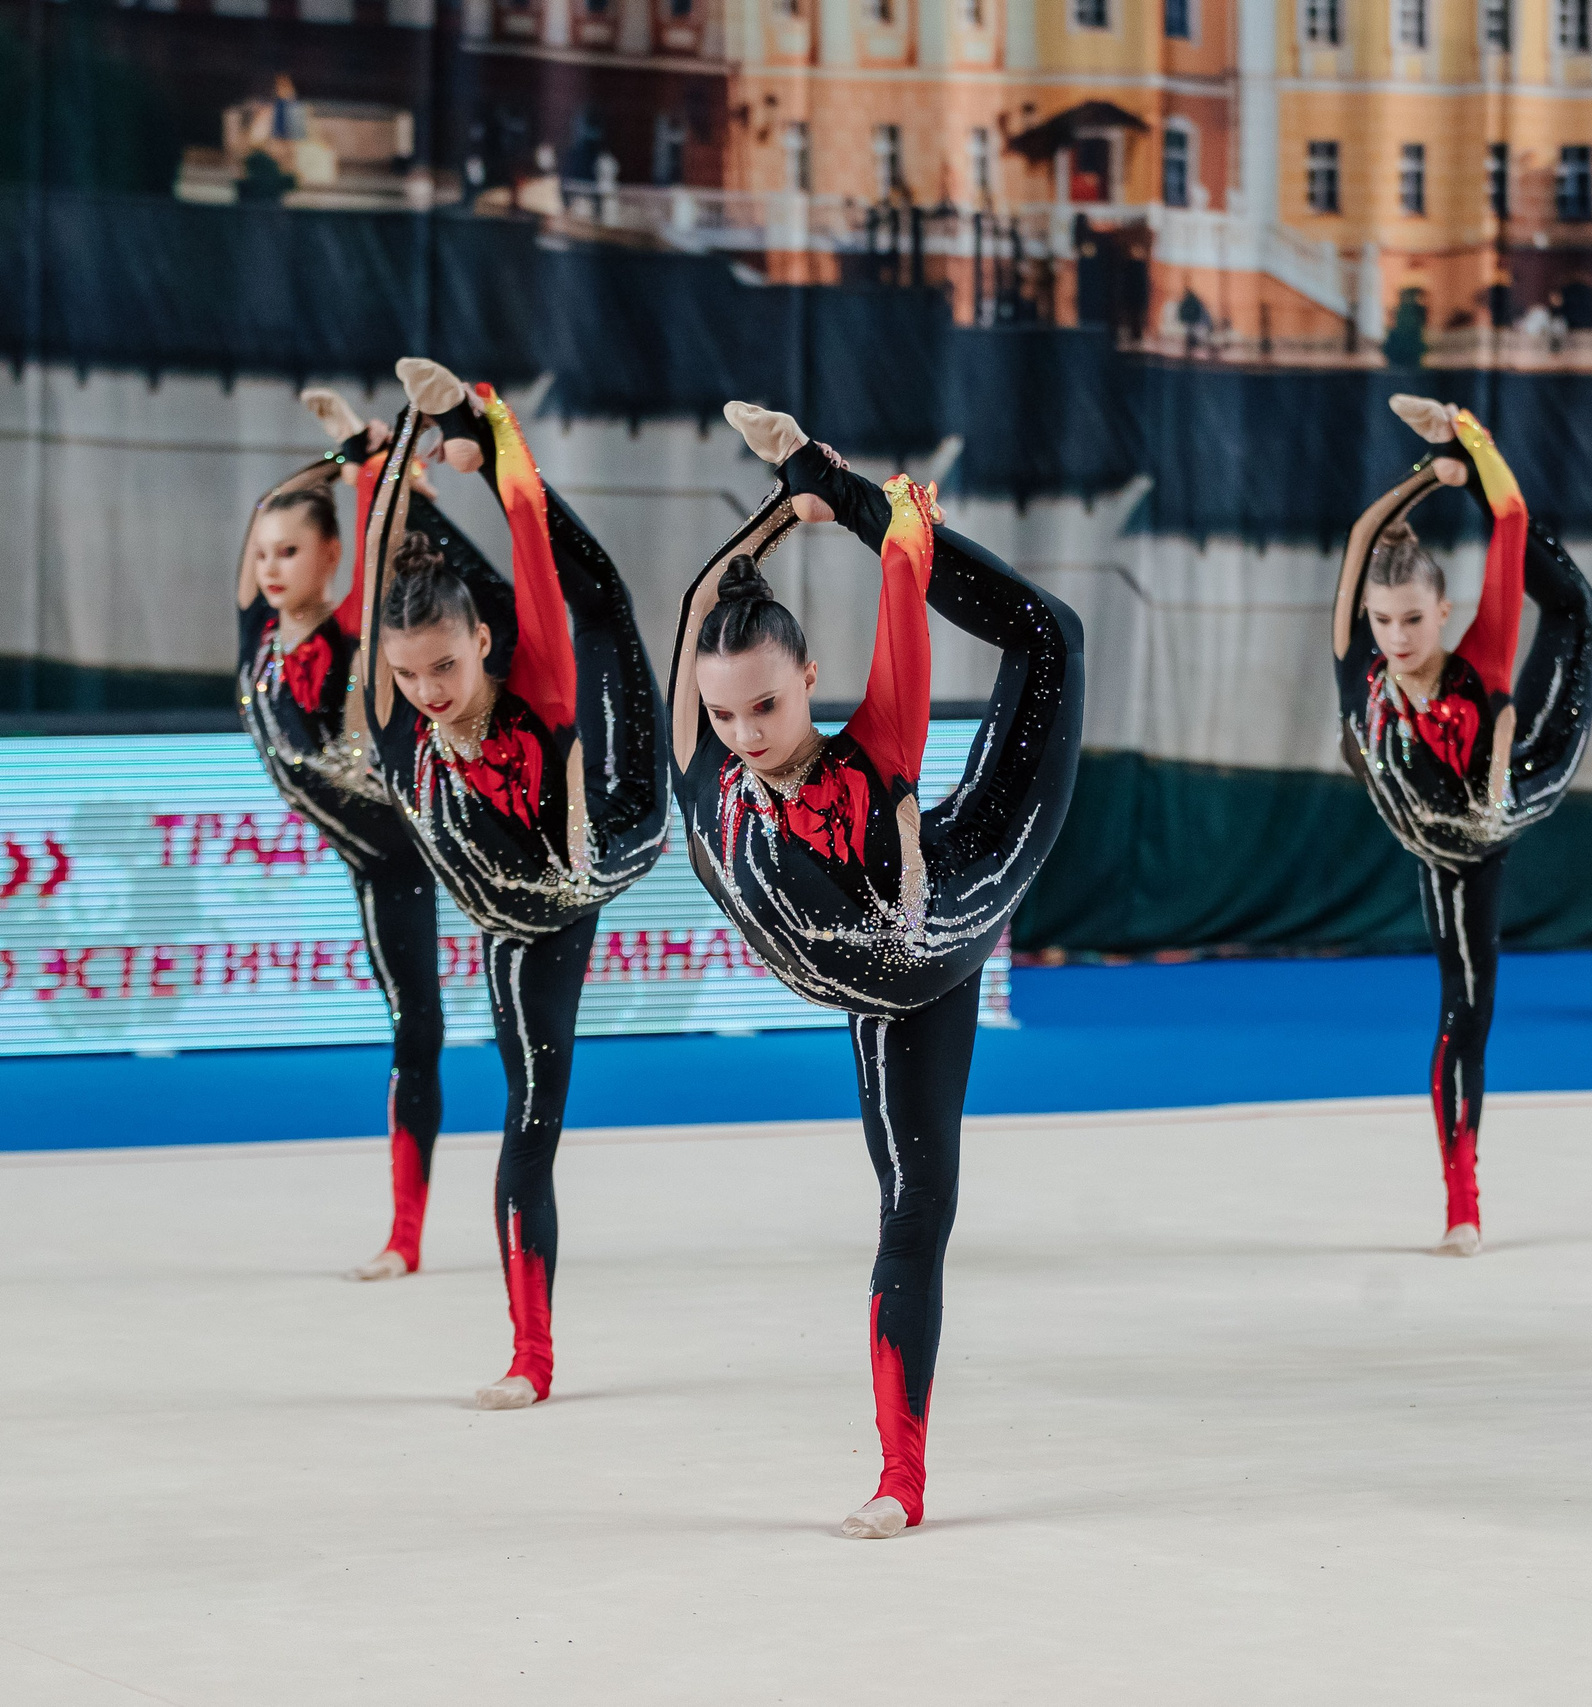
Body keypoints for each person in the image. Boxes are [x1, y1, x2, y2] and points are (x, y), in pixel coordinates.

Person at [668, 402, 1083, 1538]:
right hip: (893, 986)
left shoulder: (875, 756)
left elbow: (907, 599)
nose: (746, 730)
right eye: (725, 712)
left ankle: (904, 1479)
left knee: (1052, 637)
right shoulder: (702, 775)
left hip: (957, 892)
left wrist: (867, 514)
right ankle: (900, 1476)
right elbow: (702, 609)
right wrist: (779, 508)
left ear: (809, 675)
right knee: (910, 1207)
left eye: (769, 702)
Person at [353, 358, 669, 1410]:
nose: (428, 692)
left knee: (603, 602)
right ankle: (529, 1359)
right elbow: (375, 548)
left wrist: (486, 436)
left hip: (603, 845)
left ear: (481, 644)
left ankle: (477, 422)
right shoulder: (397, 715)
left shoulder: (528, 680)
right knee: (526, 1120)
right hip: (507, 917)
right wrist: (401, 442)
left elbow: (530, 540)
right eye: (409, 673)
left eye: (445, 666)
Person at [238, 390, 506, 1282]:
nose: (273, 567)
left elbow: (383, 530)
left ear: (329, 557)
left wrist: (361, 454)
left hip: (438, 833)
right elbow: (258, 520)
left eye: (292, 551)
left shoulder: (355, 628)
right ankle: (406, 1234)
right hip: (379, 863)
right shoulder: (257, 632)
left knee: (505, 1015)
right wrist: (327, 462)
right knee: (414, 1028)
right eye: (266, 553)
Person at [1332, 396, 1592, 1257]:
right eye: (1384, 619)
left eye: (1414, 618)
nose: (1398, 635)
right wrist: (1424, 476)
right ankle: (1461, 1197)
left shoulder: (1479, 656)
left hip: (1517, 784)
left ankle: (1464, 1198)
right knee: (1464, 1003)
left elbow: (1513, 519)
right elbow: (1362, 542)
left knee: (1575, 607)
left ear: (1442, 613)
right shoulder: (1359, 670)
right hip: (1435, 840)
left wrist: (1472, 449)